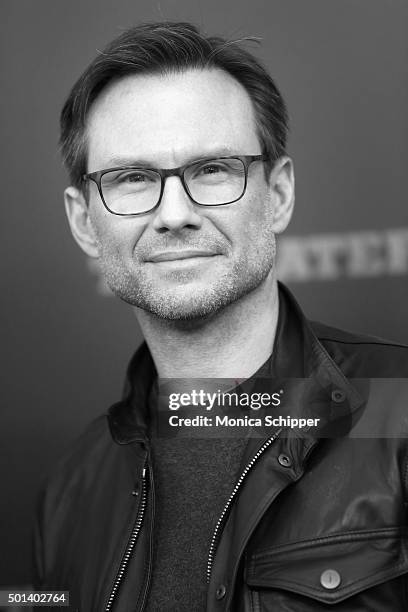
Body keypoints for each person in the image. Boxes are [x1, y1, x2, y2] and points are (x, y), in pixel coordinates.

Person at [33, 21, 408, 611]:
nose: (174, 213)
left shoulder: (401, 416)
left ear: (278, 194)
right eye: (132, 179)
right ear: (84, 221)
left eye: (212, 170)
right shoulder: (69, 490)